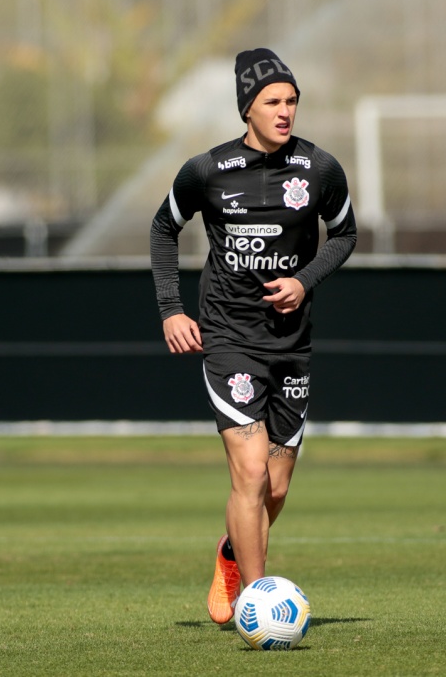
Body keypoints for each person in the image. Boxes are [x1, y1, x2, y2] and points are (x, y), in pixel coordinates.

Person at [150, 48, 357, 624]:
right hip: (227, 336)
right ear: (248, 109)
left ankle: (230, 553)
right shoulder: (207, 171)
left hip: (291, 343)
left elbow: (345, 235)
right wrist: (171, 309)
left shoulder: (321, 169)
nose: (285, 111)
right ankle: (258, 601)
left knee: (277, 485)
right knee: (249, 471)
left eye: (292, 101)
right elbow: (164, 227)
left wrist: (304, 279)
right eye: (273, 102)